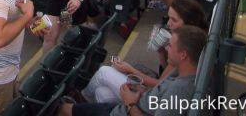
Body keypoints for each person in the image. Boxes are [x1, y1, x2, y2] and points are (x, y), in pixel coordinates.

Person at [61, 25, 207, 116]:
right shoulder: (186, 71)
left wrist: (130, 104)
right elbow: (160, 92)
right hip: (130, 106)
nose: (167, 47)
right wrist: (141, 91)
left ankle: (78, 101)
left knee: (64, 109)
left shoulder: (179, 89)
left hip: (129, 109)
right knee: (101, 93)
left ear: (183, 55)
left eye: (171, 45)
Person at [84, 0, 206, 103]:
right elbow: (166, 74)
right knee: (102, 94)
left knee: (104, 71)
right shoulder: (192, 39)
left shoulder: (186, 47)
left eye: (174, 20)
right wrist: (161, 52)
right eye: (169, 18)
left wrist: (129, 69)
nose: (168, 24)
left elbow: (159, 84)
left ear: (189, 23)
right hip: (156, 94)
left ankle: (80, 100)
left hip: (152, 99)